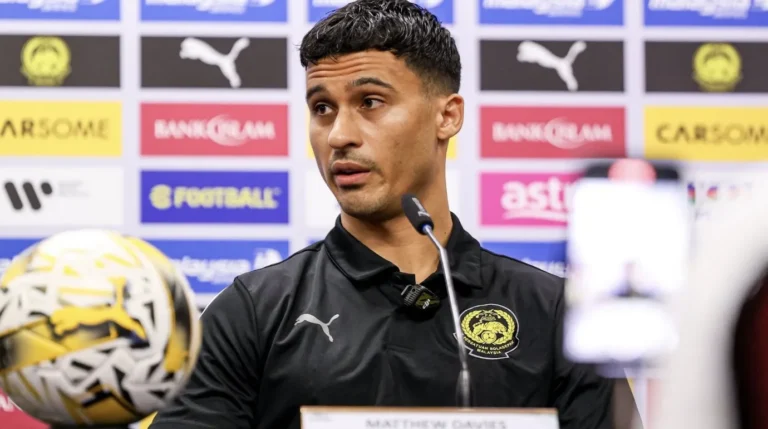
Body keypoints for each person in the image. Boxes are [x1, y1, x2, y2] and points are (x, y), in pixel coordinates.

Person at [148, 1, 615, 428]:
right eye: (322, 108)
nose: (338, 136)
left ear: (447, 116)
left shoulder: (556, 313)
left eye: (370, 102)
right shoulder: (251, 312)